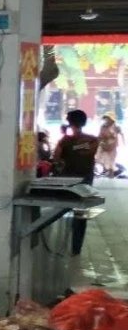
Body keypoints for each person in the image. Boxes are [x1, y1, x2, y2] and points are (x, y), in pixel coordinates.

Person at [54, 109, 99, 255]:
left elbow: (56, 158)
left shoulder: (65, 141)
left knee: (62, 209)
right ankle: (76, 248)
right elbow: (88, 151)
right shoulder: (92, 140)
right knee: (81, 215)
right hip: (86, 182)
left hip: (66, 182)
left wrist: (66, 142)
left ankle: (62, 244)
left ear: (69, 122)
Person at [96, 114, 123, 178]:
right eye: (105, 119)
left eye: (108, 118)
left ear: (112, 119)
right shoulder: (103, 126)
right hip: (103, 145)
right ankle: (105, 172)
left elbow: (118, 136)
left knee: (111, 162)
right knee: (102, 160)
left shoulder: (116, 127)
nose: (106, 120)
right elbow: (100, 136)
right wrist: (99, 141)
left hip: (112, 147)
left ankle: (111, 176)